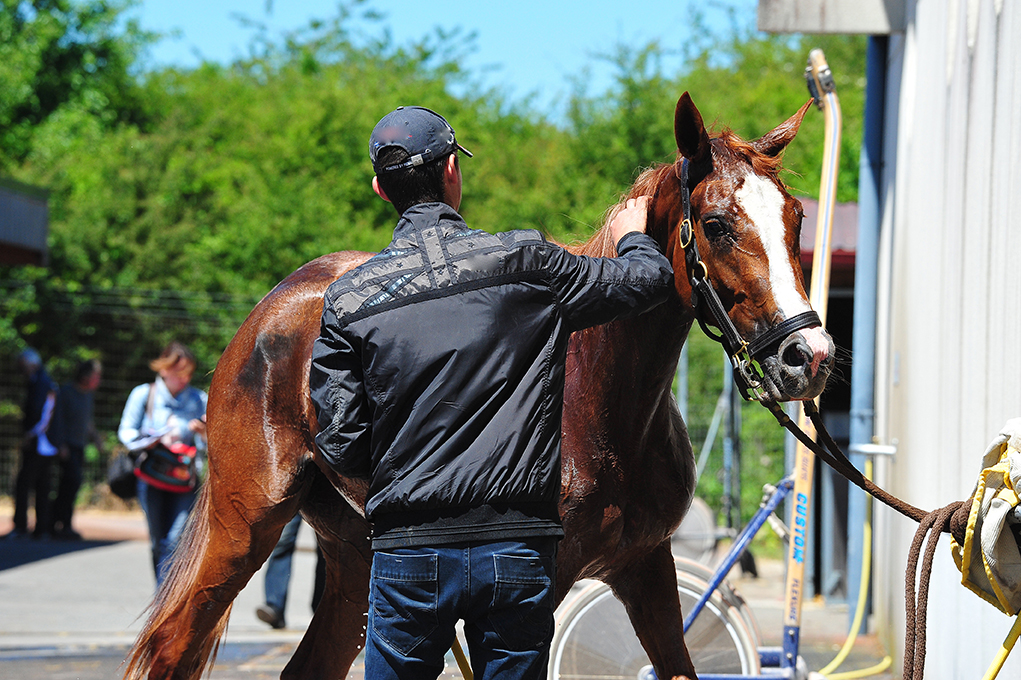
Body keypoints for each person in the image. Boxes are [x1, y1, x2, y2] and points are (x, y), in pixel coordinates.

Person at [309, 106, 674, 680]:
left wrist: (406, 485)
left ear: (381, 189)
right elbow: (647, 284)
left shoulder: (349, 300)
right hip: (518, 550)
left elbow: (339, 442)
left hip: (408, 555)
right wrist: (632, 237)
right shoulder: (526, 262)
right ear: (453, 171)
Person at [118, 341, 207, 587]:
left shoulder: (199, 399)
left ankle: (165, 600)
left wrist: (202, 434)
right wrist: (151, 440)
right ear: (164, 369)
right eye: (180, 373)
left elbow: (212, 445)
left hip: (184, 479)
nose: (185, 378)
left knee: (176, 539)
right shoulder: (144, 394)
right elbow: (126, 432)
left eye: (189, 373)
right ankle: (163, 595)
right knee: (158, 541)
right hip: (152, 476)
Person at [47, 358, 106, 540]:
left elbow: (87, 421)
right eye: (96, 376)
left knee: (73, 485)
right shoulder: (66, 392)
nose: (99, 380)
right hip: (67, 446)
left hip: (80, 445)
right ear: (86, 376)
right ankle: (56, 523)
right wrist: (60, 444)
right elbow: (57, 421)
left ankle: (64, 524)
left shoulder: (88, 395)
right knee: (70, 482)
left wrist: (96, 438)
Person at [6, 348, 58, 540]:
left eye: (23, 366)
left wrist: (30, 433)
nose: (21, 370)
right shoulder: (40, 380)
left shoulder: (41, 382)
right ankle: (41, 528)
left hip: (39, 442)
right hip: (43, 443)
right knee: (41, 485)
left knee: (26, 483)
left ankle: (24, 527)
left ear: (32, 364)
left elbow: (44, 411)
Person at [255, 512, 326, 629]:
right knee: (282, 541)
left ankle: (322, 610)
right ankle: (274, 606)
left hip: (325, 497)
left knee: (326, 547)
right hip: (294, 495)